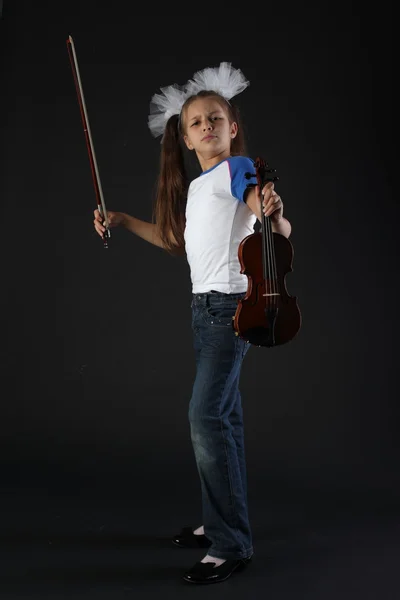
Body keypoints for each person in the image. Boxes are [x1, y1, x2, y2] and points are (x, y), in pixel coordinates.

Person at [93, 62, 291, 584]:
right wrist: (121, 220)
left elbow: (267, 214)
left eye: (215, 118)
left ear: (232, 128)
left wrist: (271, 211)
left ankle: (231, 545)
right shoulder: (202, 185)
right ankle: (220, 522)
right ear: (184, 137)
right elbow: (174, 243)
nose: (207, 126)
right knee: (222, 420)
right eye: (197, 122)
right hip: (203, 312)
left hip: (230, 312)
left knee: (205, 418)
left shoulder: (236, 169)